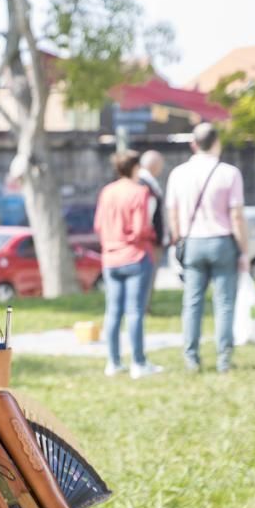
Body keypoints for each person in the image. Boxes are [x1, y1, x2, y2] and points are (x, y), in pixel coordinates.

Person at [166, 123, 248, 373]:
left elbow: (173, 215)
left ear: (193, 144)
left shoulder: (178, 174)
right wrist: (243, 250)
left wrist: (179, 240)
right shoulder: (229, 173)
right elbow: (236, 216)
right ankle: (224, 358)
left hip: (192, 242)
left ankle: (192, 357)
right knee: (224, 303)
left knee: (192, 303)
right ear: (217, 142)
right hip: (222, 240)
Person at [93, 150, 163, 379]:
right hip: (135, 256)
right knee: (135, 312)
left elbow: (98, 225)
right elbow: (140, 227)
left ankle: (113, 362)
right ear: (136, 168)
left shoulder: (107, 192)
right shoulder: (140, 192)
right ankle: (138, 363)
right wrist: (152, 235)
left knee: (112, 312)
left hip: (110, 257)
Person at [137, 150, 169, 311]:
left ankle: (144, 305)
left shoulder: (147, 183)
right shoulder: (144, 184)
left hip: (151, 239)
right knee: (147, 276)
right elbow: (147, 216)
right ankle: (143, 307)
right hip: (149, 241)